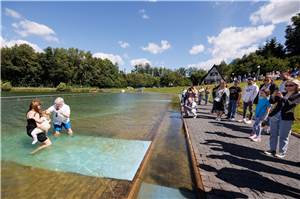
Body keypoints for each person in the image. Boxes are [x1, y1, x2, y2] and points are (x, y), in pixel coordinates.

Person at [264, 79, 300, 158]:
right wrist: (273, 95)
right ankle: (272, 150)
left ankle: (282, 152)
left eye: (291, 85)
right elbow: (272, 101)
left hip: (287, 117)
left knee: (283, 136)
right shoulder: (283, 93)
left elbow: (290, 105)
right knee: (273, 134)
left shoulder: (298, 95)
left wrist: (282, 97)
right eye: (286, 85)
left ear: (296, 86)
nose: (288, 87)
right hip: (275, 115)